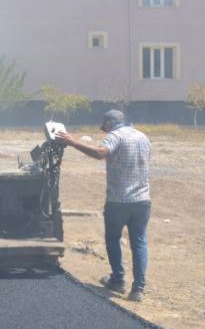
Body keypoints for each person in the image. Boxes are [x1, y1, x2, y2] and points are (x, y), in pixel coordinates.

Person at [56, 110, 152, 302]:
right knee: (139, 242)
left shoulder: (115, 136)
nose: (103, 128)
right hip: (143, 201)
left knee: (113, 239)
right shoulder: (143, 136)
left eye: (104, 124)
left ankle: (117, 280)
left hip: (118, 201)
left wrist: (73, 142)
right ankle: (138, 289)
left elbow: (101, 153)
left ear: (110, 122)